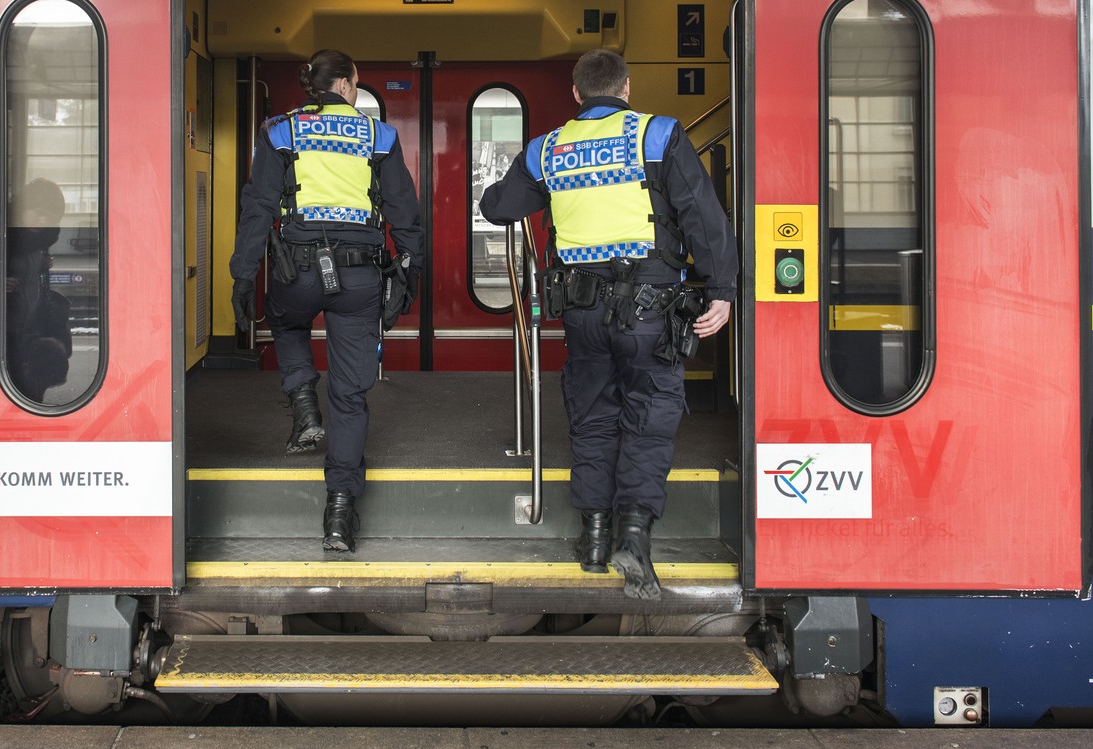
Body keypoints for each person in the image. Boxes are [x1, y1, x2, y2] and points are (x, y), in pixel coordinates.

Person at [479, 49, 737, 599]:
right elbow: (702, 215)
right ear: (626, 89)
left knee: (593, 416)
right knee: (649, 413)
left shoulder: (546, 148)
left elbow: (499, 207)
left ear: (576, 95)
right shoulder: (659, 135)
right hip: (651, 306)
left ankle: (593, 537)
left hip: (583, 309)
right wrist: (722, 289)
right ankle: (634, 537)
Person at [230, 49, 424, 553]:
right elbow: (404, 211)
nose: (358, 89)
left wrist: (243, 275)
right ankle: (340, 511)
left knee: (284, 319)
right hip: (359, 278)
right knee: (351, 394)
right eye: (357, 81)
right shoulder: (379, 136)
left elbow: (257, 208)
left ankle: (302, 404)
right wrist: (410, 268)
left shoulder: (280, 131)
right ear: (344, 83)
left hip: (297, 271)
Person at [5, 177, 73, 403]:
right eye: (35, 210)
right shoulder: (4, 238)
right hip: (7, 327)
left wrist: (41, 266)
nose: (40, 218)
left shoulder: (39, 240)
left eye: (47, 214)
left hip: (29, 321)